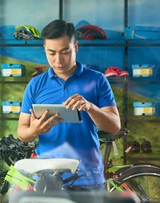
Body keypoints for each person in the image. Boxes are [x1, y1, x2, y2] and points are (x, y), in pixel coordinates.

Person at [17, 19, 121, 191]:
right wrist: (33, 131)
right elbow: (22, 131)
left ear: (76, 47)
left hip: (88, 176)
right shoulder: (35, 85)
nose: (58, 60)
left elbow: (114, 126)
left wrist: (90, 107)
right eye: (51, 53)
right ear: (44, 50)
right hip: (47, 178)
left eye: (65, 52)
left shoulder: (97, 80)